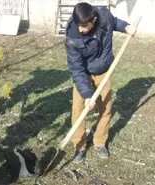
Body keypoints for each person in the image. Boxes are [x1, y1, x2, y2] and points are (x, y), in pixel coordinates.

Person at [65, 2, 136, 163]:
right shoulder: (72, 37)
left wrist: (126, 27)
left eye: (85, 26)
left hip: (104, 70)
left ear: (94, 19)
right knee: (78, 110)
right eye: (79, 26)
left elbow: (115, 22)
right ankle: (79, 145)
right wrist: (87, 94)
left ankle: (100, 142)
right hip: (83, 73)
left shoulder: (104, 16)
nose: (81, 30)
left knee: (105, 109)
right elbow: (76, 69)